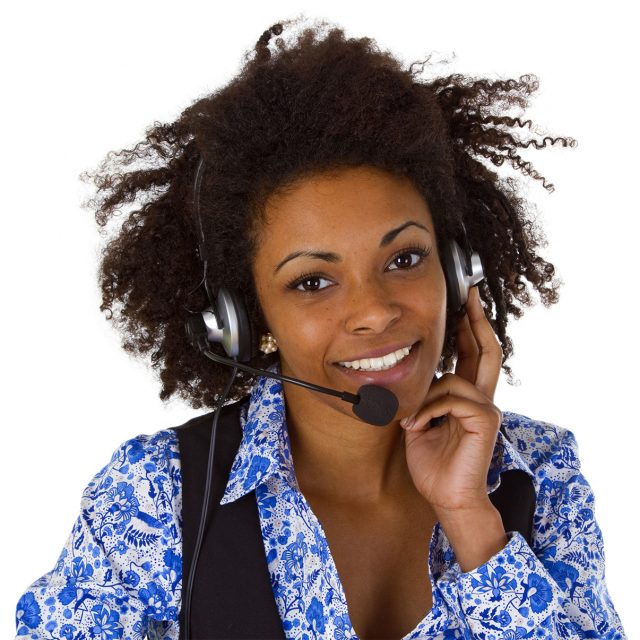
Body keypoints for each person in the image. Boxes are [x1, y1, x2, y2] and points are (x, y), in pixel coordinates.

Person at [15, 16, 627, 640]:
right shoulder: (156, 497)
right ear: (246, 319)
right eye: (312, 282)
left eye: (404, 259)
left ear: (454, 271)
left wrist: (472, 519)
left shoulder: (540, 472)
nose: (375, 311)